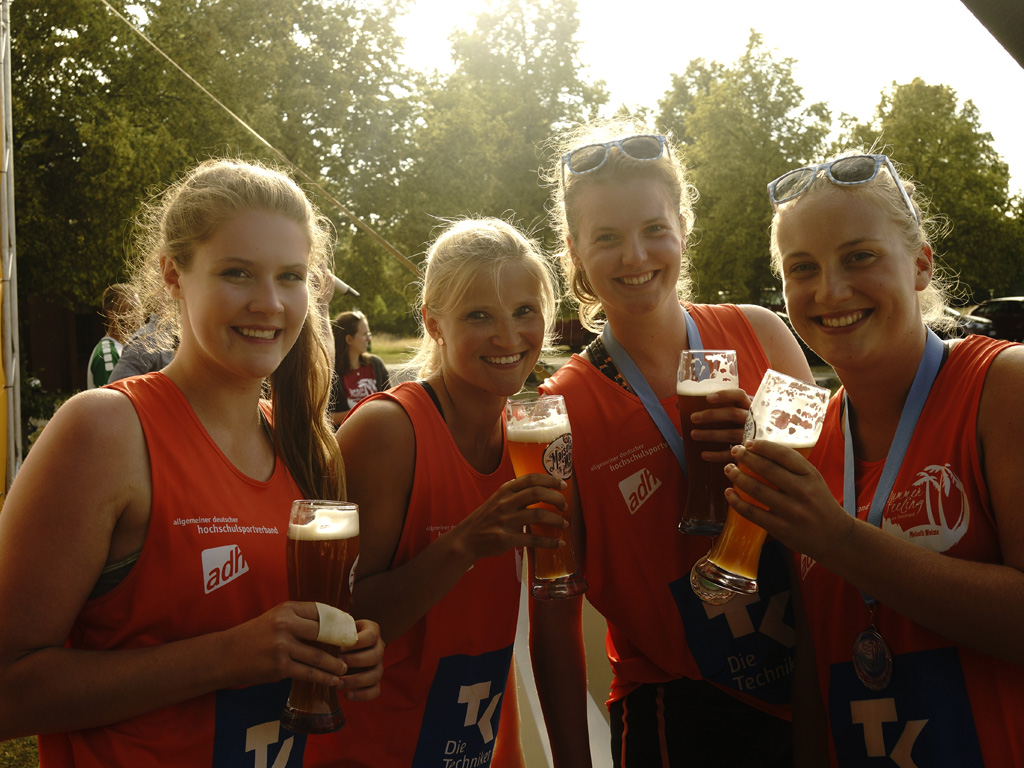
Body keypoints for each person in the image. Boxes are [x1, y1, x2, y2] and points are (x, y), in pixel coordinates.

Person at [0, 159, 384, 766]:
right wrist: (228, 656)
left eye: (291, 277)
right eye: (237, 273)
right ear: (174, 276)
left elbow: (293, 638)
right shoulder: (105, 431)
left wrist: (348, 651)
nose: (270, 303)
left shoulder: (305, 444)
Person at [529, 120, 814, 768]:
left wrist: (764, 453)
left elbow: (838, 512)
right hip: (679, 710)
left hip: (810, 681)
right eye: (606, 238)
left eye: (654, 229)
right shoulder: (559, 409)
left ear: (683, 227)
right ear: (574, 251)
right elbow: (554, 610)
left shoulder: (763, 334)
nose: (634, 256)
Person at [724, 152, 1024, 766]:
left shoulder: (1002, 386)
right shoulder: (803, 438)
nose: (830, 290)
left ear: (919, 264)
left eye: (859, 256)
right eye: (801, 267)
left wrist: (838, 539)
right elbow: (816, 658)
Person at [303, 218, 567, 767]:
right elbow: (338, 622)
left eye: (525, 311)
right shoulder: (388, 430)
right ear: (434, 323)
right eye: (479, 316)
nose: (509, 336)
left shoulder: (530, 434)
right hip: (371, 750)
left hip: (478, 742)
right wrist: (462, 545)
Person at [328, 310, 390, 426]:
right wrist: (362, 412)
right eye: (364, 334)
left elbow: (390, 402)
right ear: (349, 339)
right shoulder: (330, 372)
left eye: (369, 334)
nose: (368, 338)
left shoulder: (376, 364)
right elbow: (324, 418)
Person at [86, 283, 137, 389]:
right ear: (111, 314)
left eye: (138, 309)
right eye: (130, 310)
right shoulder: (108, 353)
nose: (137, 316)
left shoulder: (126, 348)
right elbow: (110, 402)